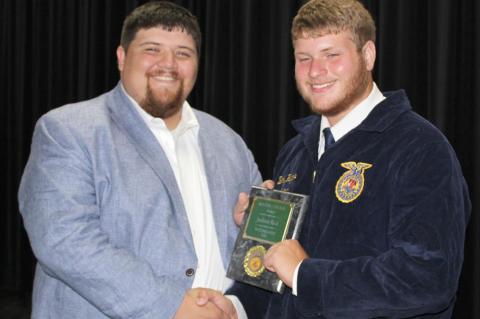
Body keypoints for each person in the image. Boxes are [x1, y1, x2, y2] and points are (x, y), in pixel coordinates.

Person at [196, 0, 471, 318]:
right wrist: (235, 306)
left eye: (332, 55)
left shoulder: (420, 148)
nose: (315, 71)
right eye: (304, 58)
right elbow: (272, 273)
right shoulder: (295, 152)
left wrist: (304, 275)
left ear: (367, 55)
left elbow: (427, 278)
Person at [18, 2, 261, 318]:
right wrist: (172, 306)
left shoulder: (229, 141)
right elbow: (64, 240)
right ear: (121, 58)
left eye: (183, 53)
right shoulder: (67, 130)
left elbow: (257, 241)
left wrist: (239, 304)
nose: (168, 64)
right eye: (152, 49)